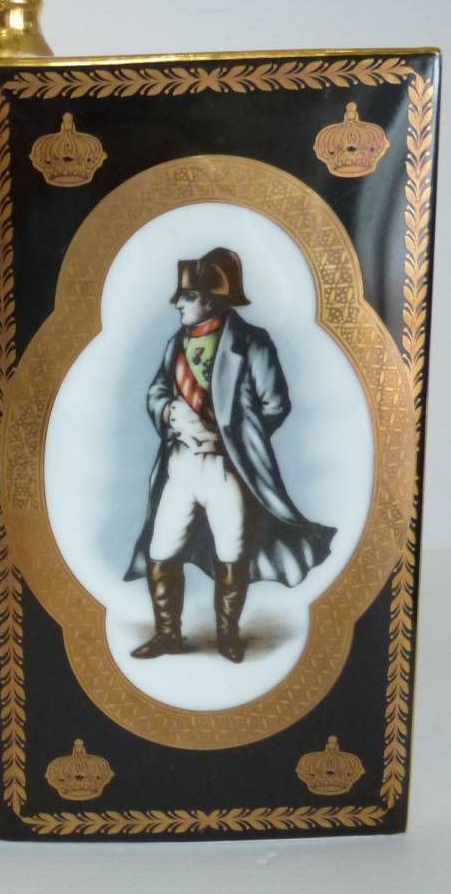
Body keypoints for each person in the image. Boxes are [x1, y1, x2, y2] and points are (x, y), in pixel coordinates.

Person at [124, 247, 336, 663]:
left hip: (227, 469)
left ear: (211, 300)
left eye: (187, 297)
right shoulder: (176, 343)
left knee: (231, 551)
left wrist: (229, 437)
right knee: (161, 550)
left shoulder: (252, 343)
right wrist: (169, 412)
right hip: (180, 464)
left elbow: (275, 405)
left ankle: (228, 636)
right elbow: (157, 391)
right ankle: (168, 635)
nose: (178, 303)